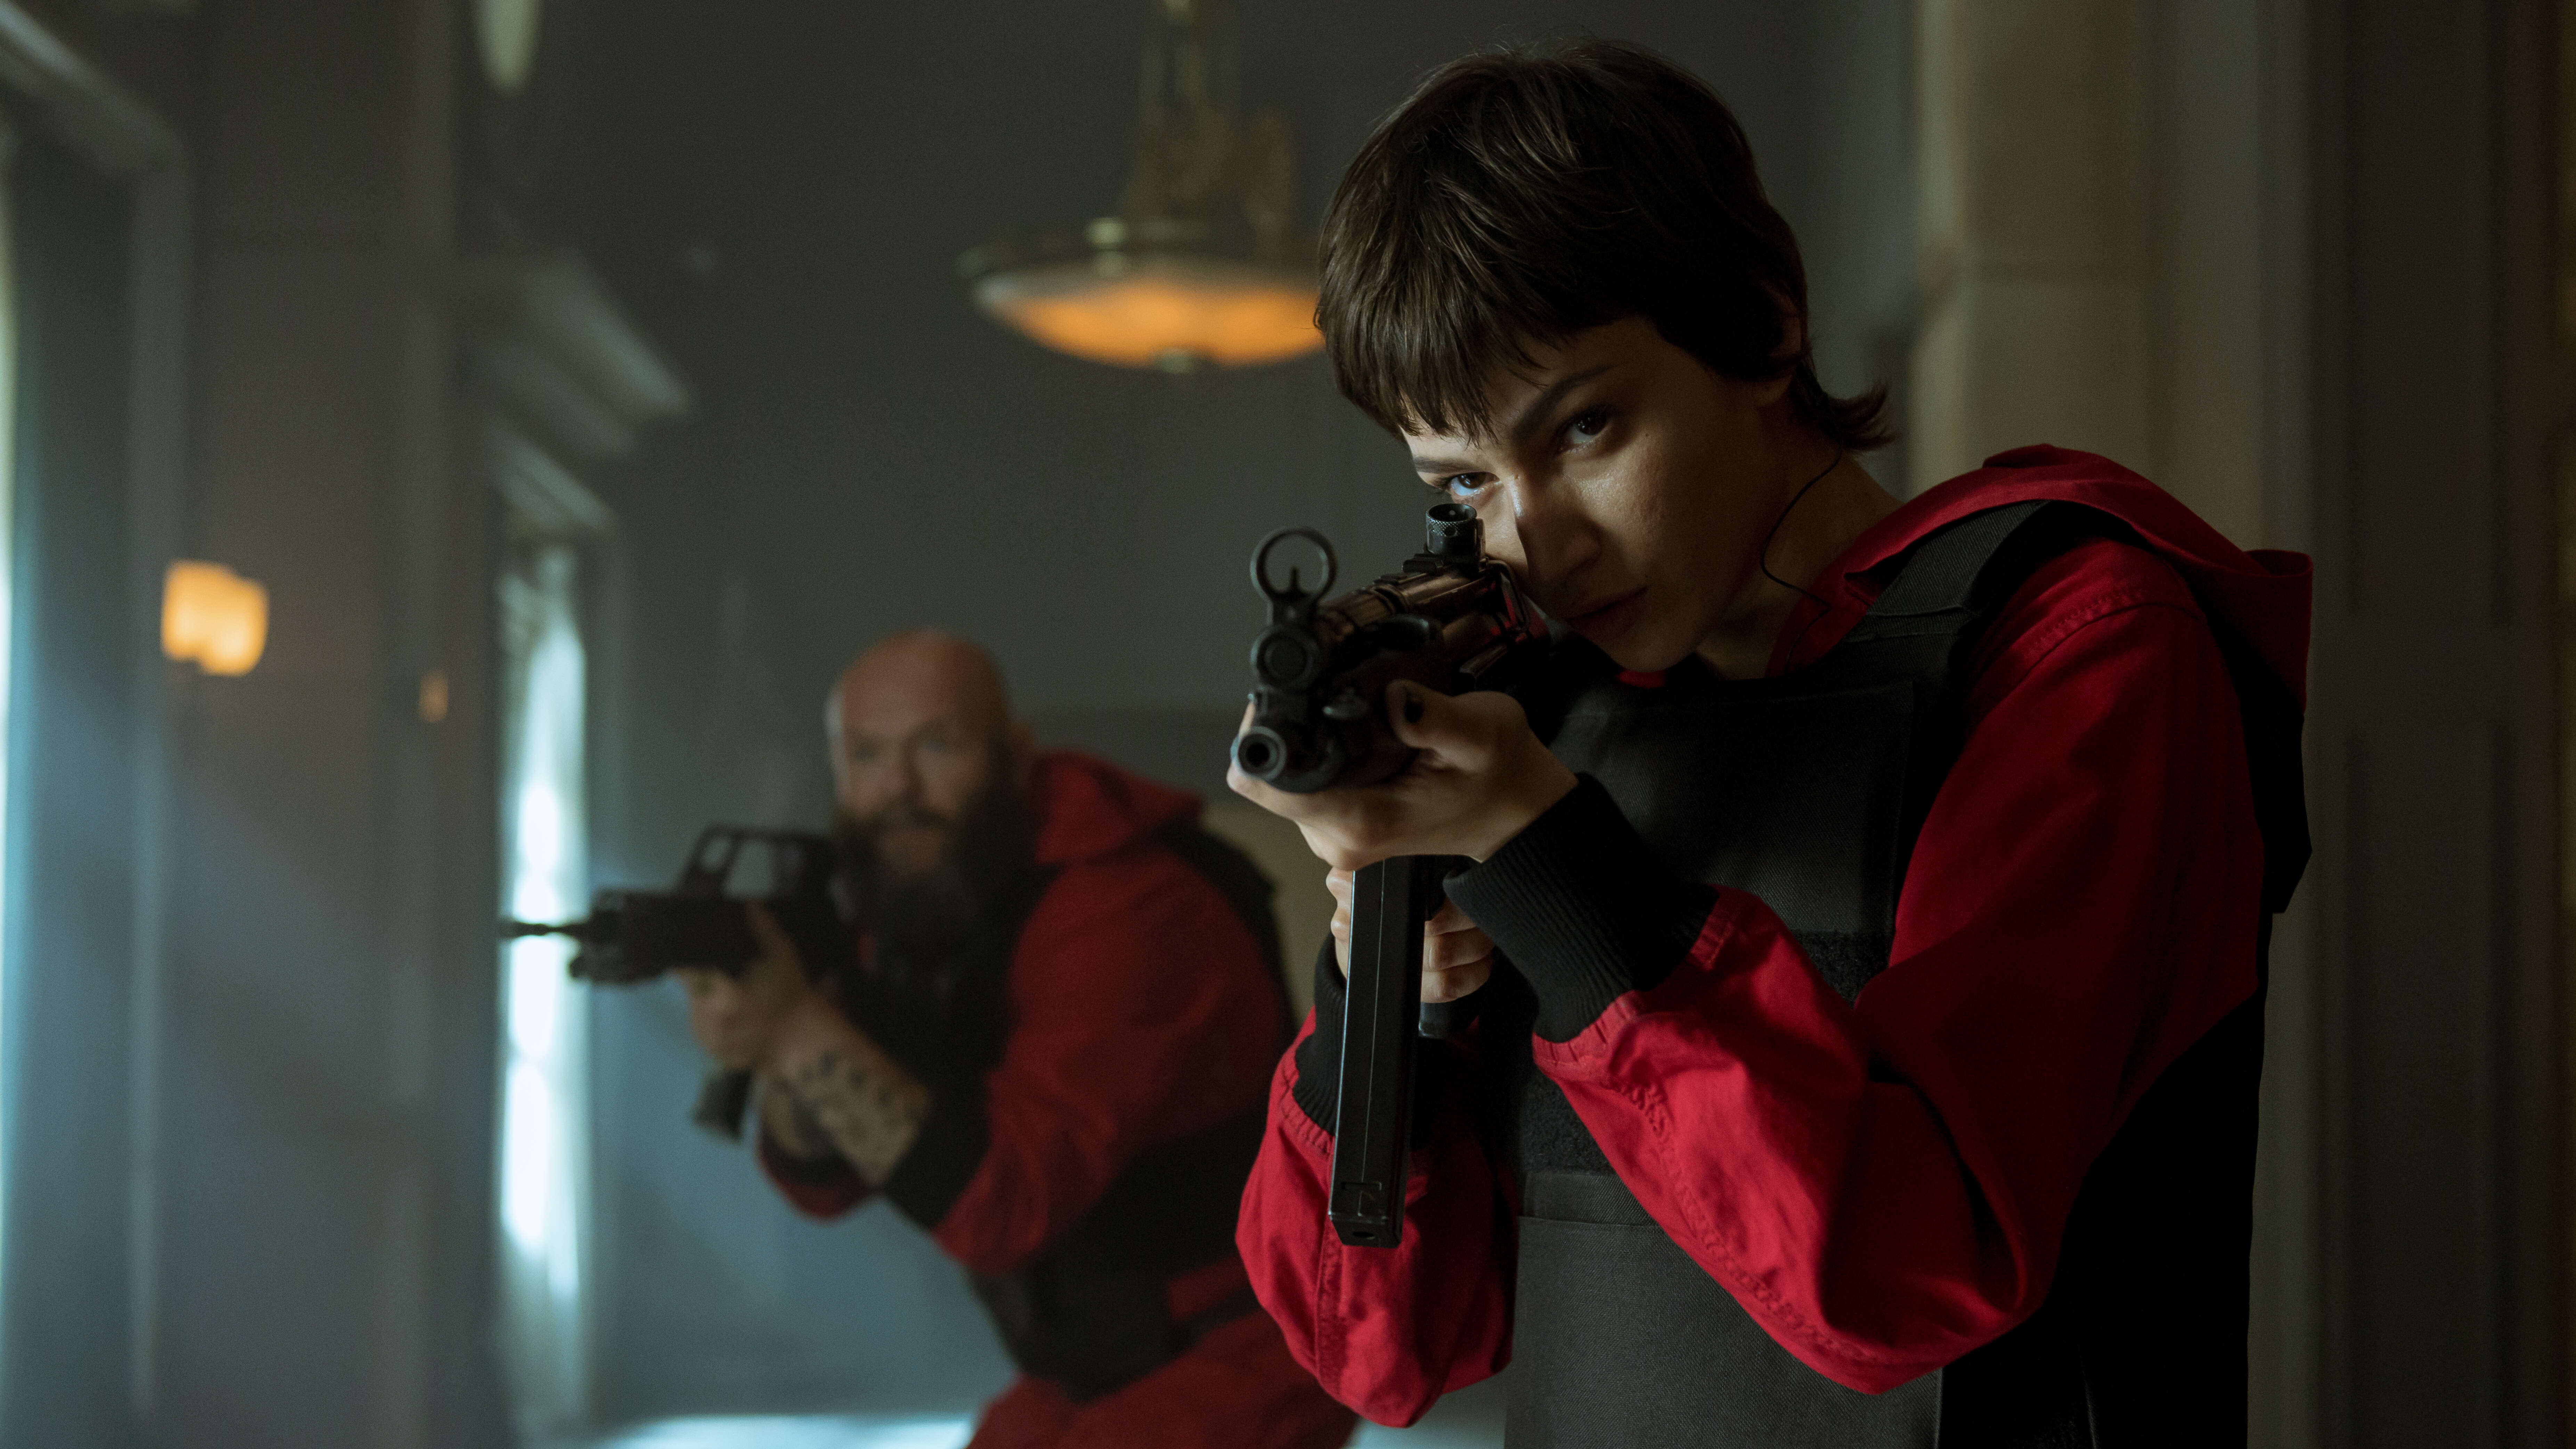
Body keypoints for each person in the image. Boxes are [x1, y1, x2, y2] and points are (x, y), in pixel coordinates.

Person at [1228, 40, 2312, 1449]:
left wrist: (1560, 870)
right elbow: (1376, 1352)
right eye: (1465, 481)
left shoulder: (2073, 643)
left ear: (1761, 325)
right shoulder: (1549, 711)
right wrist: (1389, 983)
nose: (1540, 543)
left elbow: (1908, 1276)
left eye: (1587, 427)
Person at [683, 629, 1356, 1449]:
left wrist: (796, 1031)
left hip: (1236, 1364)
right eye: (865, 754)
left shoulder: (1127, 908)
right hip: (1082, 1370)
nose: (898, 789)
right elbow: (827, 1180)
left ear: (1014, 756)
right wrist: (779, 1043)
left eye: (935, 745)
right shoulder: (937, 890)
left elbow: (1003, 1208)